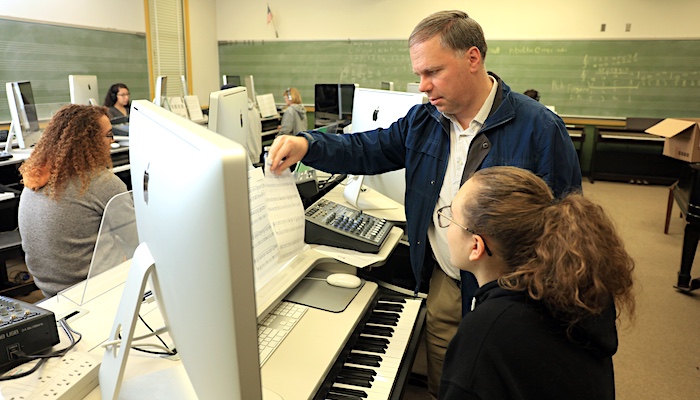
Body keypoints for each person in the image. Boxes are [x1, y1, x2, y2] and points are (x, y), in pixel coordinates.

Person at [267, 10, 582, 397]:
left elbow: (567, 227)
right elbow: (368, 148)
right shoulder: (425, 120)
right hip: (447, 281)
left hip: (513, 297)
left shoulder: (539, 129)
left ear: (472, 59)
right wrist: (308, 144)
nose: (422, 86)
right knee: (449, 384)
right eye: (418, 74)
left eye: (432, 72)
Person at [438, 166, 635, 399]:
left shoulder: (490, 329)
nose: (446, 224)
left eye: (451, 217)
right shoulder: (572, 290)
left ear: (476, 246)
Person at [18, 104, 131, 298]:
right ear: (90, 141)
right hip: (92, 289)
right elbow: (136, 236)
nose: (112, 141)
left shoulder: (35, 177)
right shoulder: (101, 182)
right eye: (109, 135)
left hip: (49, 289)